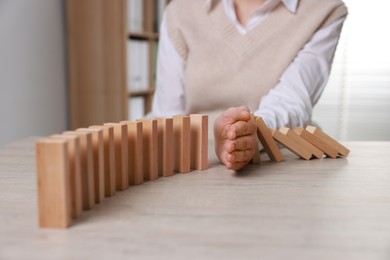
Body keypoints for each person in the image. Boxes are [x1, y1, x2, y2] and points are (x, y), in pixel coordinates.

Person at [151, 0, 348, 170]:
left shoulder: (324, 10)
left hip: (279, 163)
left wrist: (246, 132)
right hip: (197, 164)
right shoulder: (180, 10)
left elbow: (291, 100)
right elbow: (168, 116)